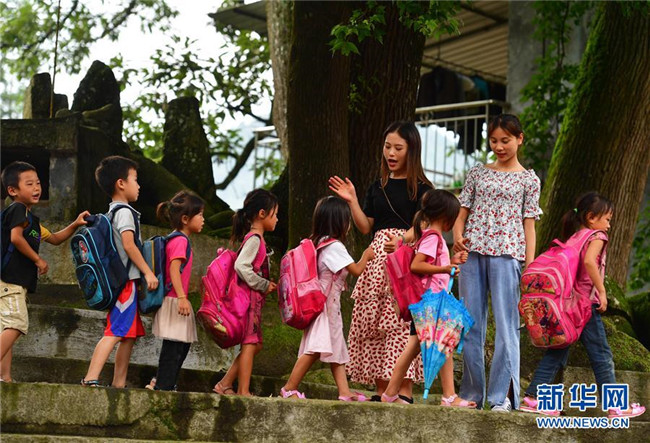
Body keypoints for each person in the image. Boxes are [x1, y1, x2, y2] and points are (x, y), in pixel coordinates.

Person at [328, 121, 432, 402]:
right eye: (387, 147)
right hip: (376, 263)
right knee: (374, 322)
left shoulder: (422, 189)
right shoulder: (377, 187)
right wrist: (352, 200)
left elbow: (425, 225)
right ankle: (381, 389)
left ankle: (403, 391)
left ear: (412, 150)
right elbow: (365, 227)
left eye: (398, 148)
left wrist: (403, 240)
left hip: (405, 261)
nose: (391, 153)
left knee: (401, 323)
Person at [520, 192, 646, 419]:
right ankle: (615, 406)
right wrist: (602, 290)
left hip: (566, 305)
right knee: (601, 354)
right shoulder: (597, 235)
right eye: (607, 219)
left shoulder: (574, 237)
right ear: (591, 217)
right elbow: (589, 262)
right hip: (585, 306)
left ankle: (533, 398)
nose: (609, 225)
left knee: (557, 351)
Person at [453, 114, 542, 412]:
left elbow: (529, 224)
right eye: (493, 141)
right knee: (470, 325)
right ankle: (472, 394)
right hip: (472, 253)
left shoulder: (529, 180)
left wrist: (530, 264)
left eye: (505, 140)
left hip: (508, 253)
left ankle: (501, 396)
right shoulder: (477, 173)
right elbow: (462, 214)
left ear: (520, 139)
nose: (499, 147)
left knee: (507, 328)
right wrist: (457, 236)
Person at [381, 189, 475, 407]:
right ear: (446, 216)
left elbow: (431, 266)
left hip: (429, 303)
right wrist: (445, 268)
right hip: (430, 303)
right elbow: (417, 265)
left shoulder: (431, 237)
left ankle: (390, 393)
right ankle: (448, 396)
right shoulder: (433, 237)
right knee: (441, 343)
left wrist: (451, 263)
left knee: (428, 345)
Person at [0, 161, 89, 383]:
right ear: (13, 190)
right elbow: (16, 238)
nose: (36, 188)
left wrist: (75, 224)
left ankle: (5, 377)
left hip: (12, 283)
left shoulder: (31, 222)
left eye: (38, 183)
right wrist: (38, 259)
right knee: (16, 324)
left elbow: (55, 239)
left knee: (7, 329)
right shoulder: (17, 209)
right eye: (29, 184)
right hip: (9, 280)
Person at [280, 196, 374, 400]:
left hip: (327, 305)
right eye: (347, 219)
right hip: (324, 306)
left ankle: (344, 391)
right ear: (339, 221)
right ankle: (289, 388)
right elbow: (356, 270)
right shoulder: (334, 246)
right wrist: (366, 255)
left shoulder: (319, 243)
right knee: (315, 348)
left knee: (336, 348)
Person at [81, 156, 159, 388]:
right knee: (115, 331)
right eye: (135, 179)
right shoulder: (124, 212)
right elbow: (128, 245)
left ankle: (119, 384)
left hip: (122, 282)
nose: (139, 185)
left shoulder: (112, 212)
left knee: (129, 336)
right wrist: (148, 272)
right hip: (126, 283)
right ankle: (90, 378)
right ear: (121, 183)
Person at [213, 189, 278, 397]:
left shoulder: (256, 239)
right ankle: (243, 391)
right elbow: (241, 266)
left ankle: (225, 384)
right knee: (250, 344)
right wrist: (262, 284)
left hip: (253, 302)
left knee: (255, 345)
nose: (277, 219)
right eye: (275, 214)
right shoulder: (255, 239)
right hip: (249, 302)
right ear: (262, 213)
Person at [145, 191, 205, 391]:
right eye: (200, 215)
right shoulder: (181, 241)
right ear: (185, 219)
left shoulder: (177, 239)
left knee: (181, 345)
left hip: (175, 298)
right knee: (174, 347)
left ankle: (163, 381)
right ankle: (163, 385)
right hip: (174, 298)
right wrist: (182, 297)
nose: (203, 219)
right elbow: (173, 269)